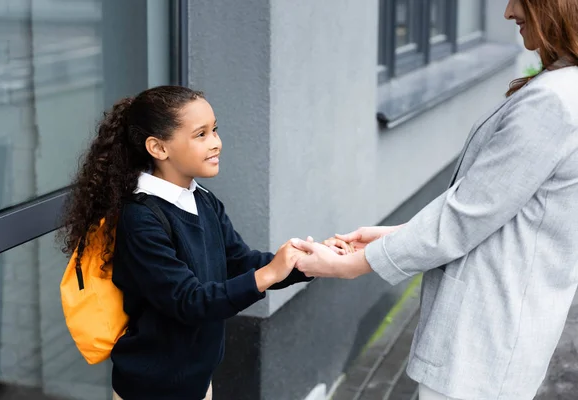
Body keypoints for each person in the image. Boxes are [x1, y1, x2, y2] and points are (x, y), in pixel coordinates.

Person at [293, 0, 578, 399]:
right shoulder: (565, 91)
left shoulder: (554, 101)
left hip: (485, 340)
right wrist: (392, 236)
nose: (508, 12)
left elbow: (466, 217)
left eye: (520, 0)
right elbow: (496, 211)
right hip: (504, 332)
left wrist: (351, 266)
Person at [59, 86, 310, 400]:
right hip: (153, 389)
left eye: (215, 130)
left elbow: (238, 262)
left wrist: (308, 262)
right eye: (201, 134)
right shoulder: (139, 218)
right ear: (159, 148)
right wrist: (269, 274)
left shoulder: (203, 200)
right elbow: (187, 301)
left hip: (197, 380)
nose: (216, 142)